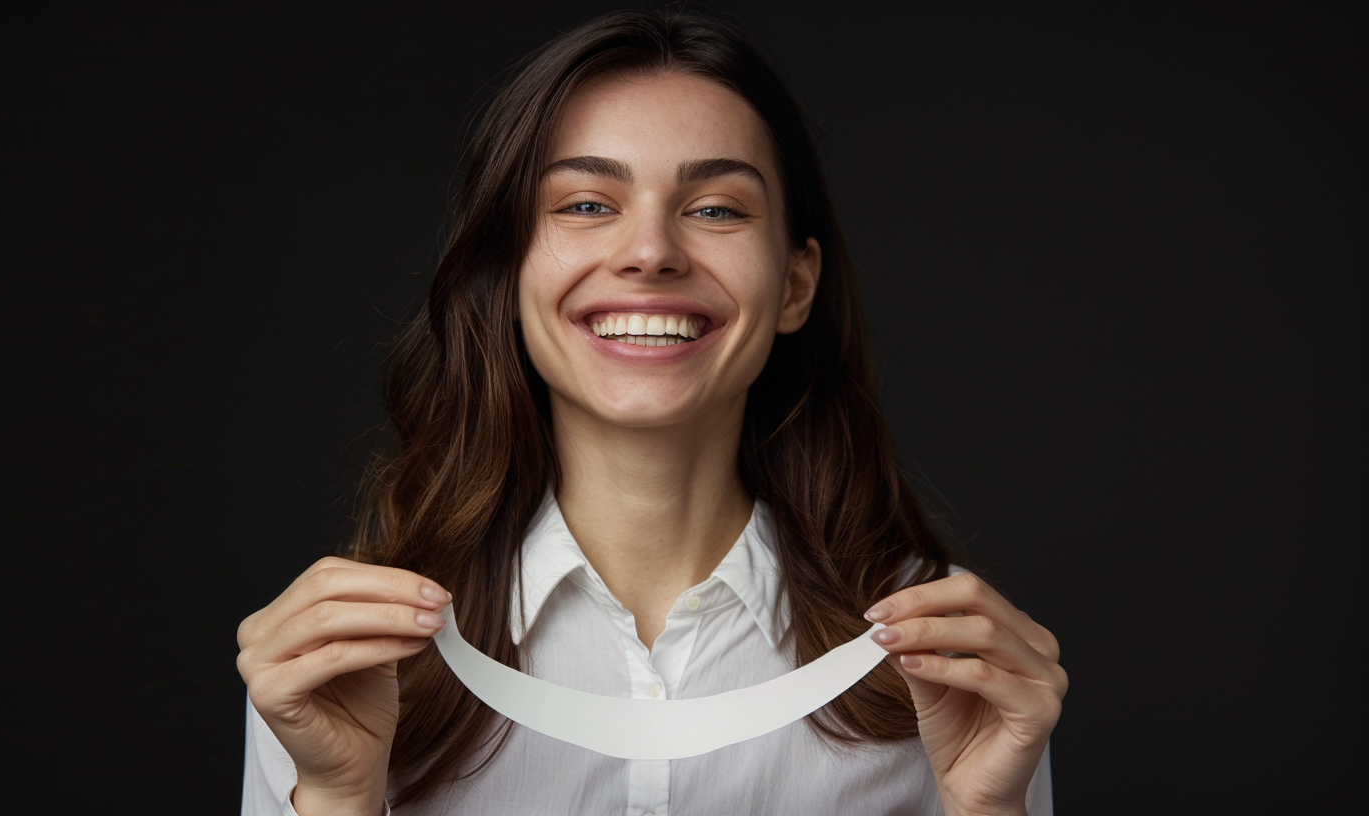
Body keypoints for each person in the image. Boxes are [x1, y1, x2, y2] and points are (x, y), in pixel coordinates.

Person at [237, 8, 1066, 815]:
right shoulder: (341, 654)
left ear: (796, 284)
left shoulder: (952, 655)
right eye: (587, 204)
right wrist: (340, 801)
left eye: (715, 209)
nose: (650, 252)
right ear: (507, 273)